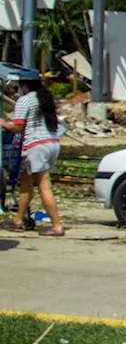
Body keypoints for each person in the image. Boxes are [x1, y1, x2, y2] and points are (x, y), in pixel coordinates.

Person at [1, 78, 66, 236]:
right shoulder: (44, 98)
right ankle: (19, 219)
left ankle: (57, 225)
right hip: (52, 143)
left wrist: (3, 123)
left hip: (36, 146)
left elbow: (17, 127)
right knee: (26, 182)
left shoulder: (24, 100)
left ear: (24, 85)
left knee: (44, 185)